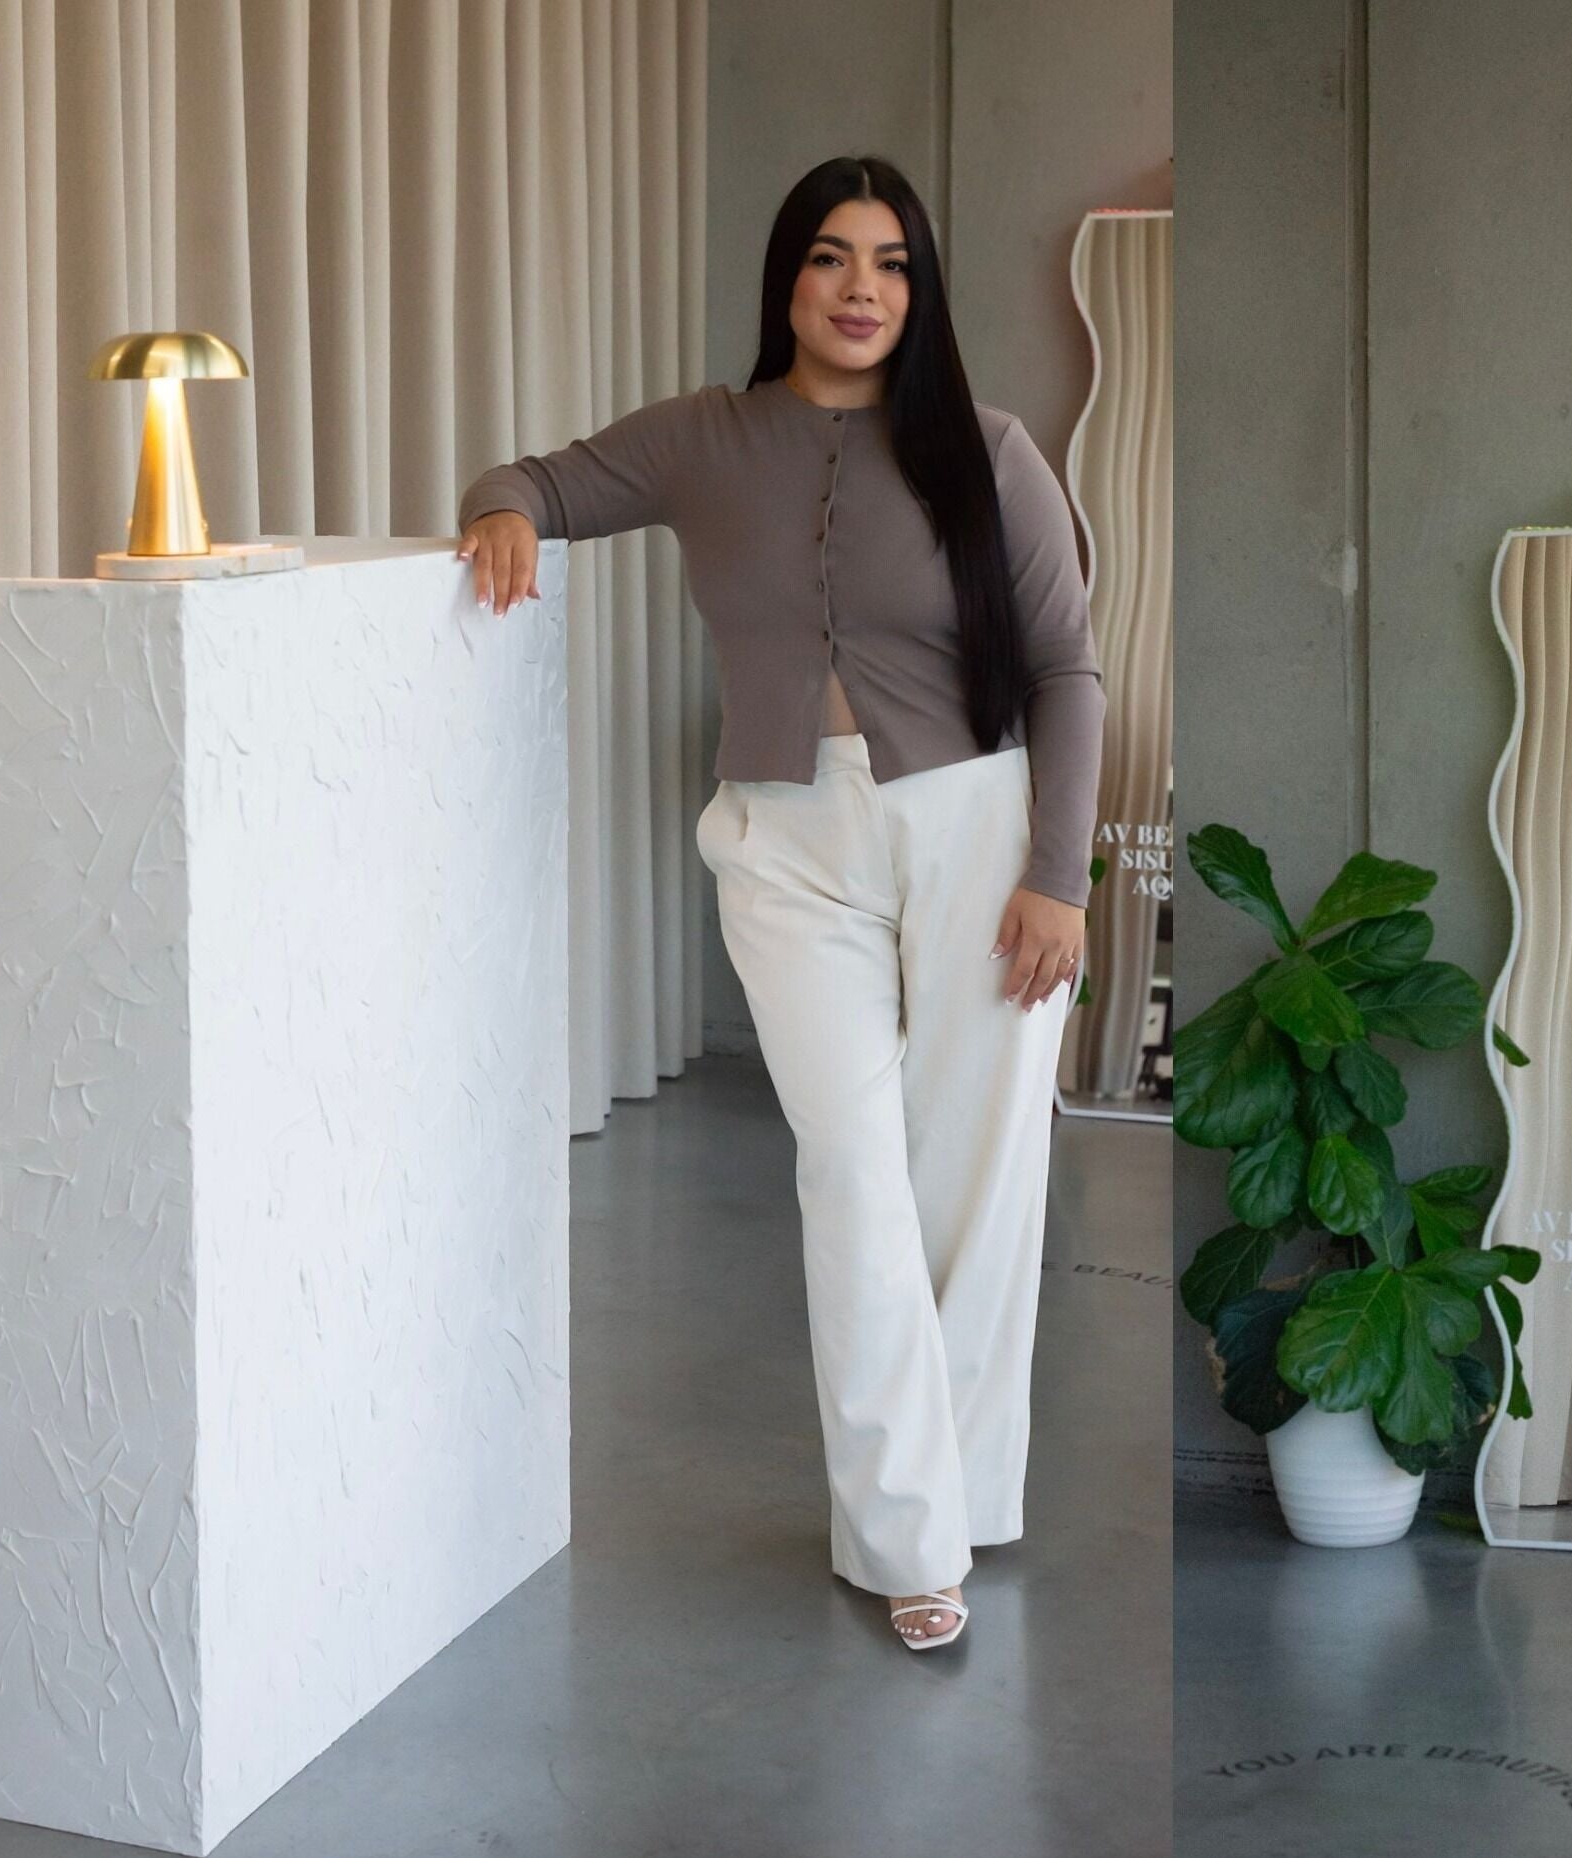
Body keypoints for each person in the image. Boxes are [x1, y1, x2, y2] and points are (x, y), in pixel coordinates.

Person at [455, 153, 1103, 1653]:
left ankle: (962, 1497)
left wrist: (1059, 877)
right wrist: (501, 514)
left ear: (919, 291)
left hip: (978, 830)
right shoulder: (706, 438)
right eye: (830, 257)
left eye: (891, 262)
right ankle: (907, 1541)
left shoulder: (989, 450)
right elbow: (539, 481)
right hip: (785, 842)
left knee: (979, 1174)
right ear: (787, 280)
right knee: (854, 1170)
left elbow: (1068, 667)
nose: (861, 288)